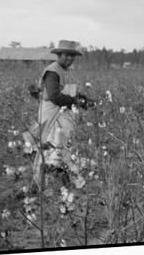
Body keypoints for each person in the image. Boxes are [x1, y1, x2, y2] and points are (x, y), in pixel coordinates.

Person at [26, 40, 88, 189]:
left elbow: (66, 91)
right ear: (59, 55)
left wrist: (84, 99)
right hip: (52, 115)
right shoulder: (53, 71)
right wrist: (75, 102)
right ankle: (39, 186)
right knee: (52, 149)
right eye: (66, 55)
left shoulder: (63, 71)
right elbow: (54, 96)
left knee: (59, 150)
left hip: (60, 115)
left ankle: (62, 185)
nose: (69, 58)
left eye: (72, 56)